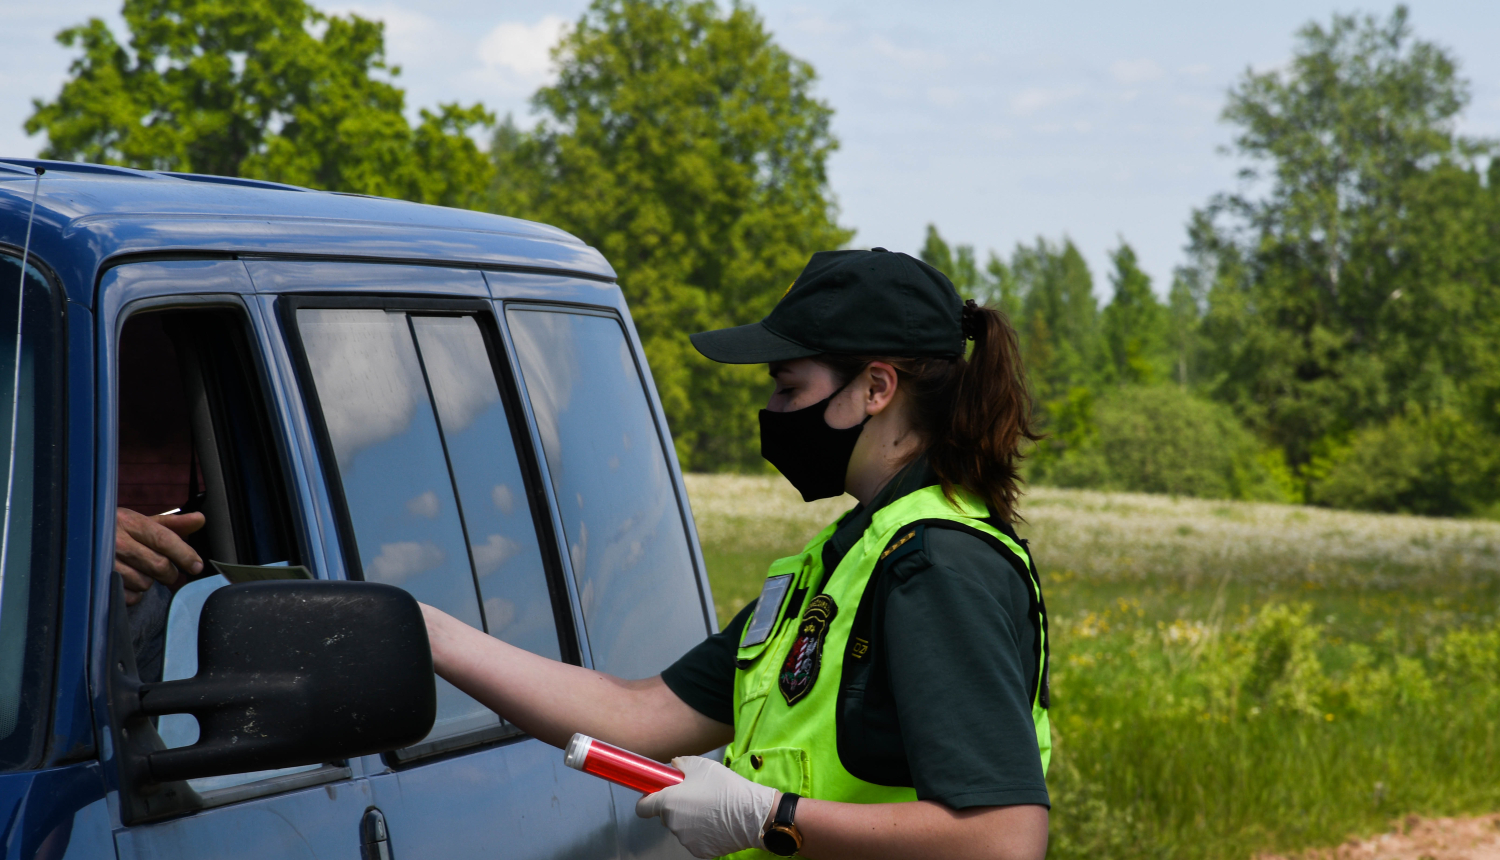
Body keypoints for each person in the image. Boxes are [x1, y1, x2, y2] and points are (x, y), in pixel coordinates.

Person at [422, 248, 1051, 860]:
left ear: (876, 387)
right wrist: (428, 635)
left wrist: (767, 818)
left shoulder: (936, 565)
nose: (772, 413)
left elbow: (1003, 839)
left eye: (788, 387)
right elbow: (640, 714)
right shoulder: (842, 561)